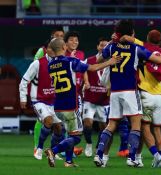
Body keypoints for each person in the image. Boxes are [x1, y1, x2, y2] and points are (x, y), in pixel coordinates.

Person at [93, 19, 161, 168]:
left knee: (111, 124)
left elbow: (98, 59)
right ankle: (132, 157)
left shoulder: (112, 47)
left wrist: (111, 42)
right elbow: (158, 59)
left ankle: (99, 155)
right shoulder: (136, 48)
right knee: (136, 125)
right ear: (131, 33)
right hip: (130, 91)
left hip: (115, 91)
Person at [44, 38, 120, 167]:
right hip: (70, 105)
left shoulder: (50, 65)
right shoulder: (70, 62)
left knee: (70, 133)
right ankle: (53, 150)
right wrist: (110, 62)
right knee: (77, 137)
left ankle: (68, 161)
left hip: (58, 106)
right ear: (64, 47)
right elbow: (93, 67)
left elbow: (61, 64)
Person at [119, 29, 161, 167]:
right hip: (159, 95)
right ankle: (153, 158)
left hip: (145, 93)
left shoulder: (143, 47)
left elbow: (127, 38)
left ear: (147, 38)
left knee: (143, 127)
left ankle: (155, 156)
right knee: (157, 130)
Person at [82, 37, 130, 163]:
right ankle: (88, 144)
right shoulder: (92, 59)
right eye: (101, 45)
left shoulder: (114, 60)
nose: (103, 47)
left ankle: (100, 149)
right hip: (90, 99)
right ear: (97, 47)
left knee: (105, 127)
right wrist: (86, 82)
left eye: (105, 45)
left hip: (104, 101)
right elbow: (85, 69)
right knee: (87, 123)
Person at [19, 40, 64, 160]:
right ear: (47, 49)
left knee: (59, 128)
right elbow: (24, 80)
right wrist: (23, 98)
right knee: (48, 121)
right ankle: (38, 149)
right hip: (38, 100)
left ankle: (52, 152)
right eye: (50, 47)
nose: (52, 49)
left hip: (53, 101)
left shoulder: (61, 63)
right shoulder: (37, 63)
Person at [32, 27, 64, 158]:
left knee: (59, 123)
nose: (60, 37)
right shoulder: (42, 51)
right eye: (57, 35)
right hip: (41, 92)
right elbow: (36, 67)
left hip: (56, 92)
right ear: (52, 36)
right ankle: (37, 147)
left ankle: (55, 149)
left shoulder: (62, 50)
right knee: (43, 120)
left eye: (62, 35)